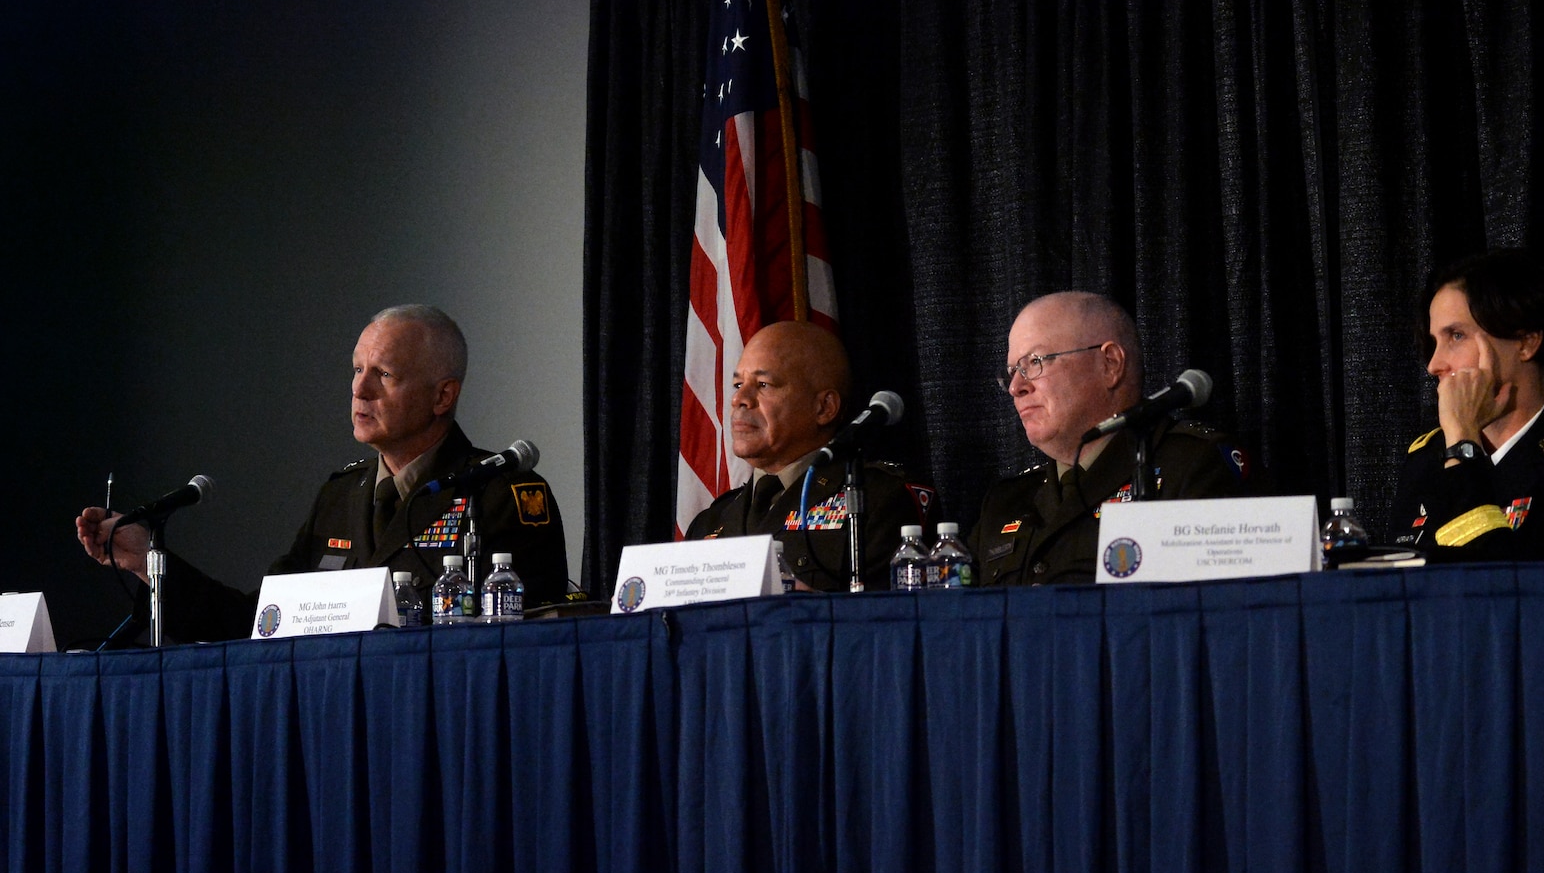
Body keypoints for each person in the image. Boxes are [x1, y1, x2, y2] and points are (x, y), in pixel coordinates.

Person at [76, 304, 569, 642]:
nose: (360, 391)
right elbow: (260, 620)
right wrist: (149, 561)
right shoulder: (340, 496)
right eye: (357, 370)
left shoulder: (501, 493)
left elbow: (534, 642)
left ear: (443, 395)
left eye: (385, 375)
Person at [969, 291, 1253, 584]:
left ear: (1110, 364)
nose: (1016, 386)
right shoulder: (1005, 501)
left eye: (1035, 362)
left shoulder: (1192, 467)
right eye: (1013, 371)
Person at [1388, 250, 1544, 560]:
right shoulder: (1425, 458)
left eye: (1456, 336)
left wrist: (1462, 445)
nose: (1434, 365)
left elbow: (1498, 588)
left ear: (1526, 342)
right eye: (1434, 343)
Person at [684, 320, 941, 591]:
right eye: (738, 385)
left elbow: (895, 624)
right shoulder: (710, 521)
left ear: (824, 408)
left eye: (763, 384)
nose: (740, 399)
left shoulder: (878, 501)